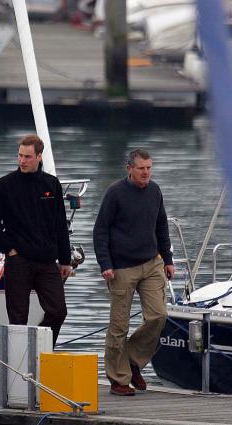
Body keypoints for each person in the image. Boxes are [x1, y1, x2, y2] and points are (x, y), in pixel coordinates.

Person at [93, 148, 175, 397]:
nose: (146, 173)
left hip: (152, 263)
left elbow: (161, 226)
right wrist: (105, 264)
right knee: (119, 325)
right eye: (141, 168)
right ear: (129, 169)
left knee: (158, 316)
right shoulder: (115, 193)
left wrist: (168, 260)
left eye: (149, 168)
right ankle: (118, 379)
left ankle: (131, 361)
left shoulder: (155, 191)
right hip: (121, 267)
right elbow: (100, 231)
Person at [0, 134, 72, 347]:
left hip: (46, 260)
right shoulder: (4, 185)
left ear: (39, 157)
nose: (22, 161)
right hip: (19, 260)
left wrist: (66, 260)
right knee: (18, 319)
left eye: (27, 157)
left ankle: (40, 349)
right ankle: (18, 365)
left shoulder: (51, 184)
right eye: (20, 156)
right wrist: (9, 250)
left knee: (58, 311)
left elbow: (60, 223)